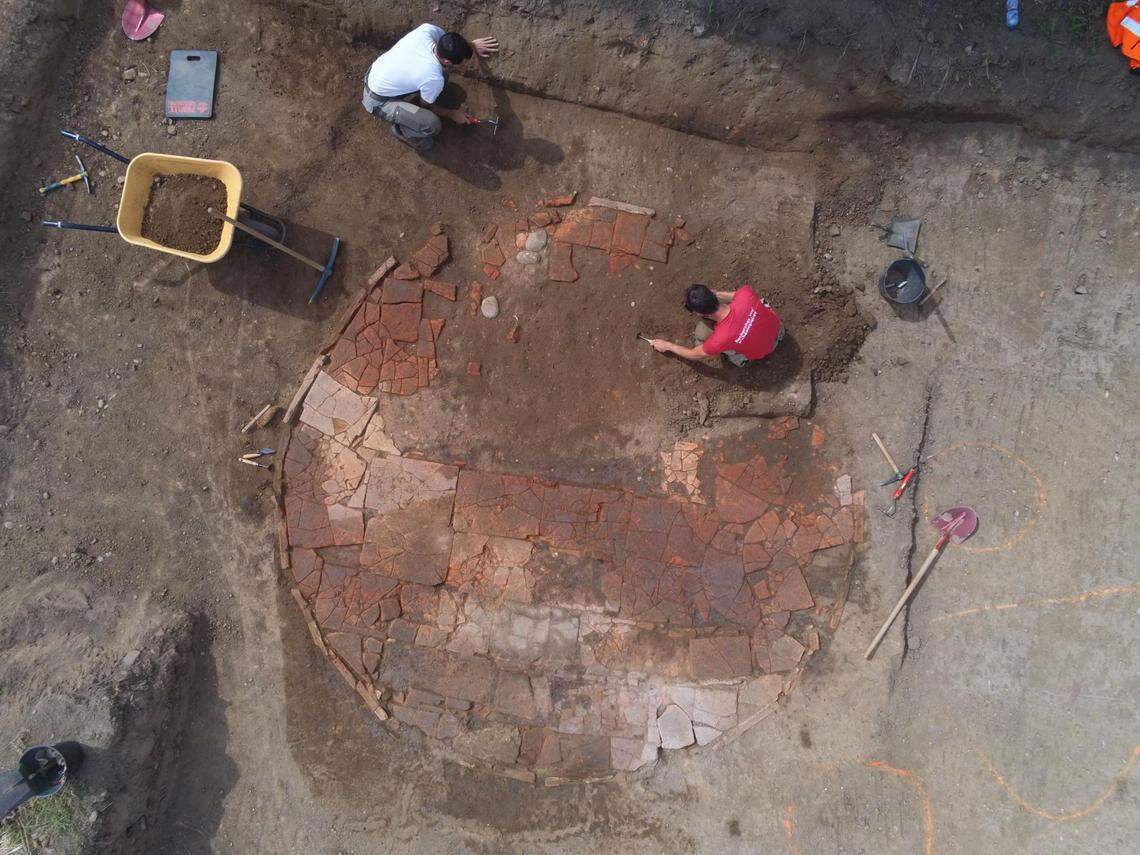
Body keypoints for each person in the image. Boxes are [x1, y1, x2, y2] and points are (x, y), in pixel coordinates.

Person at [362, 25, 499, 151]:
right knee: (431, 124)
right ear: (447, 61)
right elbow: (427, 106)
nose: (462, 65)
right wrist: (452, 113)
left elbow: (449, 43)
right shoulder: (433, 77)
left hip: (377, 73)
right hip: (378, 100)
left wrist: (471, 45)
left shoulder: (427, 30)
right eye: (460, 63)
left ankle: (412, 104)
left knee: (441, 78)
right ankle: (401, 130)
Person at [648, 283, 783, 366]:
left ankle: (741, 360)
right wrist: (715, 294)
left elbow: (694, 354)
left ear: (700, 314)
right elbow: (733, 296)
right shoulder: (745, 294)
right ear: (712, 292)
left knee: (701, 333)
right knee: (758, 303)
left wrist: (667, 345)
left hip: (766, 350)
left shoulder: (720, 339)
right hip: (778, 329)